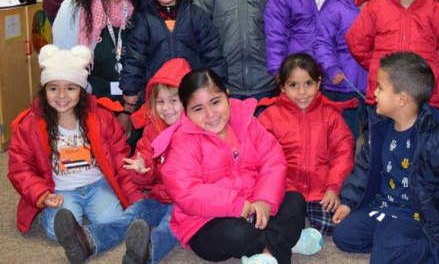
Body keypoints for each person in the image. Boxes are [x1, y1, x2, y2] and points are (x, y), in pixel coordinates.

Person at [152, 69, 322, 264]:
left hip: (255, 205)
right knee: (238, 234)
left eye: (216, 102)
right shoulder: (182, 141)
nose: (210, 114)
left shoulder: (247, 121)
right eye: (198, 109)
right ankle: (284, 241)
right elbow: (187, 193)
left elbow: (273, 161)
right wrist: (236, 205)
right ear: (186, 111)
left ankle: (269, 253)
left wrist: (264, 200)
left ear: (227, 94)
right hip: (205, 221)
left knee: (295, 201)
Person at [332, 52, 439, 264]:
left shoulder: (437, 137)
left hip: (417, 215)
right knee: (344, 236)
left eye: (380, 88)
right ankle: (394, 242)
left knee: (383, 258)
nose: (373, 93)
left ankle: (433, 247)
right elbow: (363, 169)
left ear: (402, 100)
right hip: (383, 206)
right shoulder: (380, 128)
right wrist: (348, 202)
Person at [51, 58, 192, 264]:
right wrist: (141, 170)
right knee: (131, 215)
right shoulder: (153, 129)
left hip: (186, 202)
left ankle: (146, 252)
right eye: (160, 101)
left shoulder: (197, 130)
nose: (166, 108)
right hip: (159, 197)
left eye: (173, 100)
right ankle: (87, 241)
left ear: (188, 100)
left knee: (171, 226)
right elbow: (143, 166)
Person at [7, 45, 143, 243]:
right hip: (60, 190)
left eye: (70, 88)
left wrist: (134, 196)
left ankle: (87, 236)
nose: (62, 96)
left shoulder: (101, 117)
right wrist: (42, 195)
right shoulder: (30, 124)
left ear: (81, 90)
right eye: (54, 88)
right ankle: (53, 217)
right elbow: (20, 168)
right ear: (44, 91)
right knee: (57, 230)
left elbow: (118, 157)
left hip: (97, 185)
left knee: (112, 220)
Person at [52, 0, 145, 131]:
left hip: (136, 107)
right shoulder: (76, 7)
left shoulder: (142, 5)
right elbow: (62, 65)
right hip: (87, 106)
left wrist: (127, 111)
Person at [258, 53, 355, 236]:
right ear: (282, 87)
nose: (302, 92)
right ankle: (294, 229)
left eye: (308, 84)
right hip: (285, 190)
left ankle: (298, 229)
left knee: (335, 226)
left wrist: (333, 187)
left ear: (318, 83)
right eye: (293, 85)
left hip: (321, 190)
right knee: (267, 223)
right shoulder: (269, 117)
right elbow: (264, 161)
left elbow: (343, 154)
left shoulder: (330, 115)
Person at [120, 0, 226, 112]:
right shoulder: (143, 19)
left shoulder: (195, 14)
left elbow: (212, 51)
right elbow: (135, 58)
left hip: (192, 90)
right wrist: (130, 90)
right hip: (158, 94)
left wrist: (218, 84)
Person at [314, 0, 380, 137]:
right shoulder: (335, 10)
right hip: (341, 87)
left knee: (374, 139)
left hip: (377, 90)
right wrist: (331, 68)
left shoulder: (383, 8)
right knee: (343, 138)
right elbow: (322, 43)